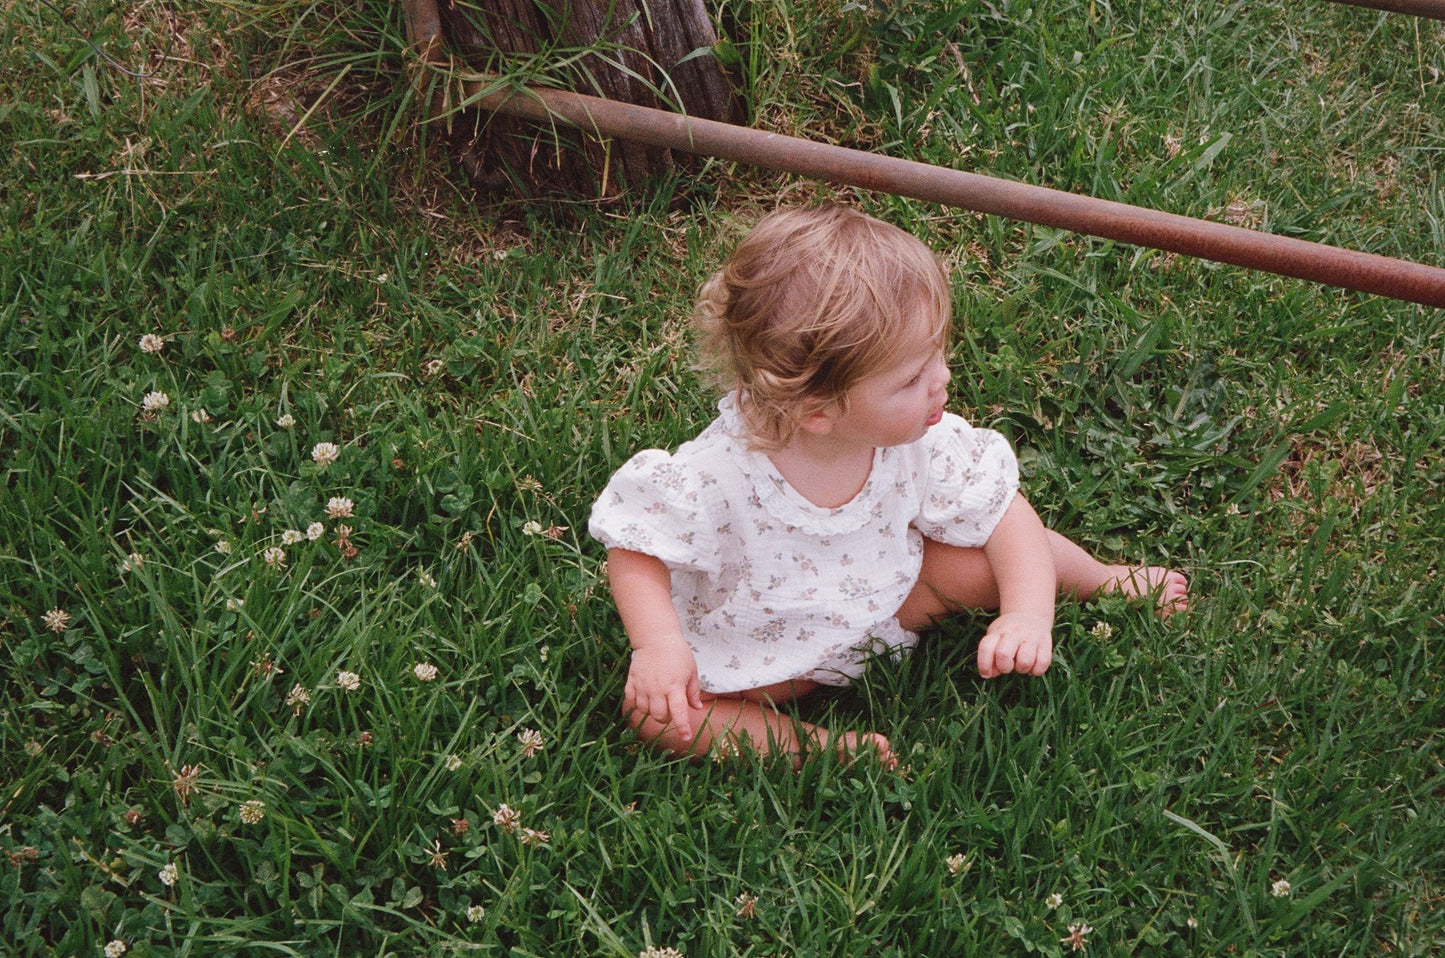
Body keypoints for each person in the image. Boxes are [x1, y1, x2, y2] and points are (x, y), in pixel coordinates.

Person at [588, 204, 1187, 767]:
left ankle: (1110, 580)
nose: (943, 380)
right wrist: (659, 647)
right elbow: (637, 549)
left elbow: (1004, 513)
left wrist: (1028, 615)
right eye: (911, 378)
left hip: (891, 599)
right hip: (754, 653)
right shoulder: (714, 475)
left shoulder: (918, 441)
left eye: (938, 357)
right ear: (816, 410)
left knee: (999, 554)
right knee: (662, 720)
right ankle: (822, 748)